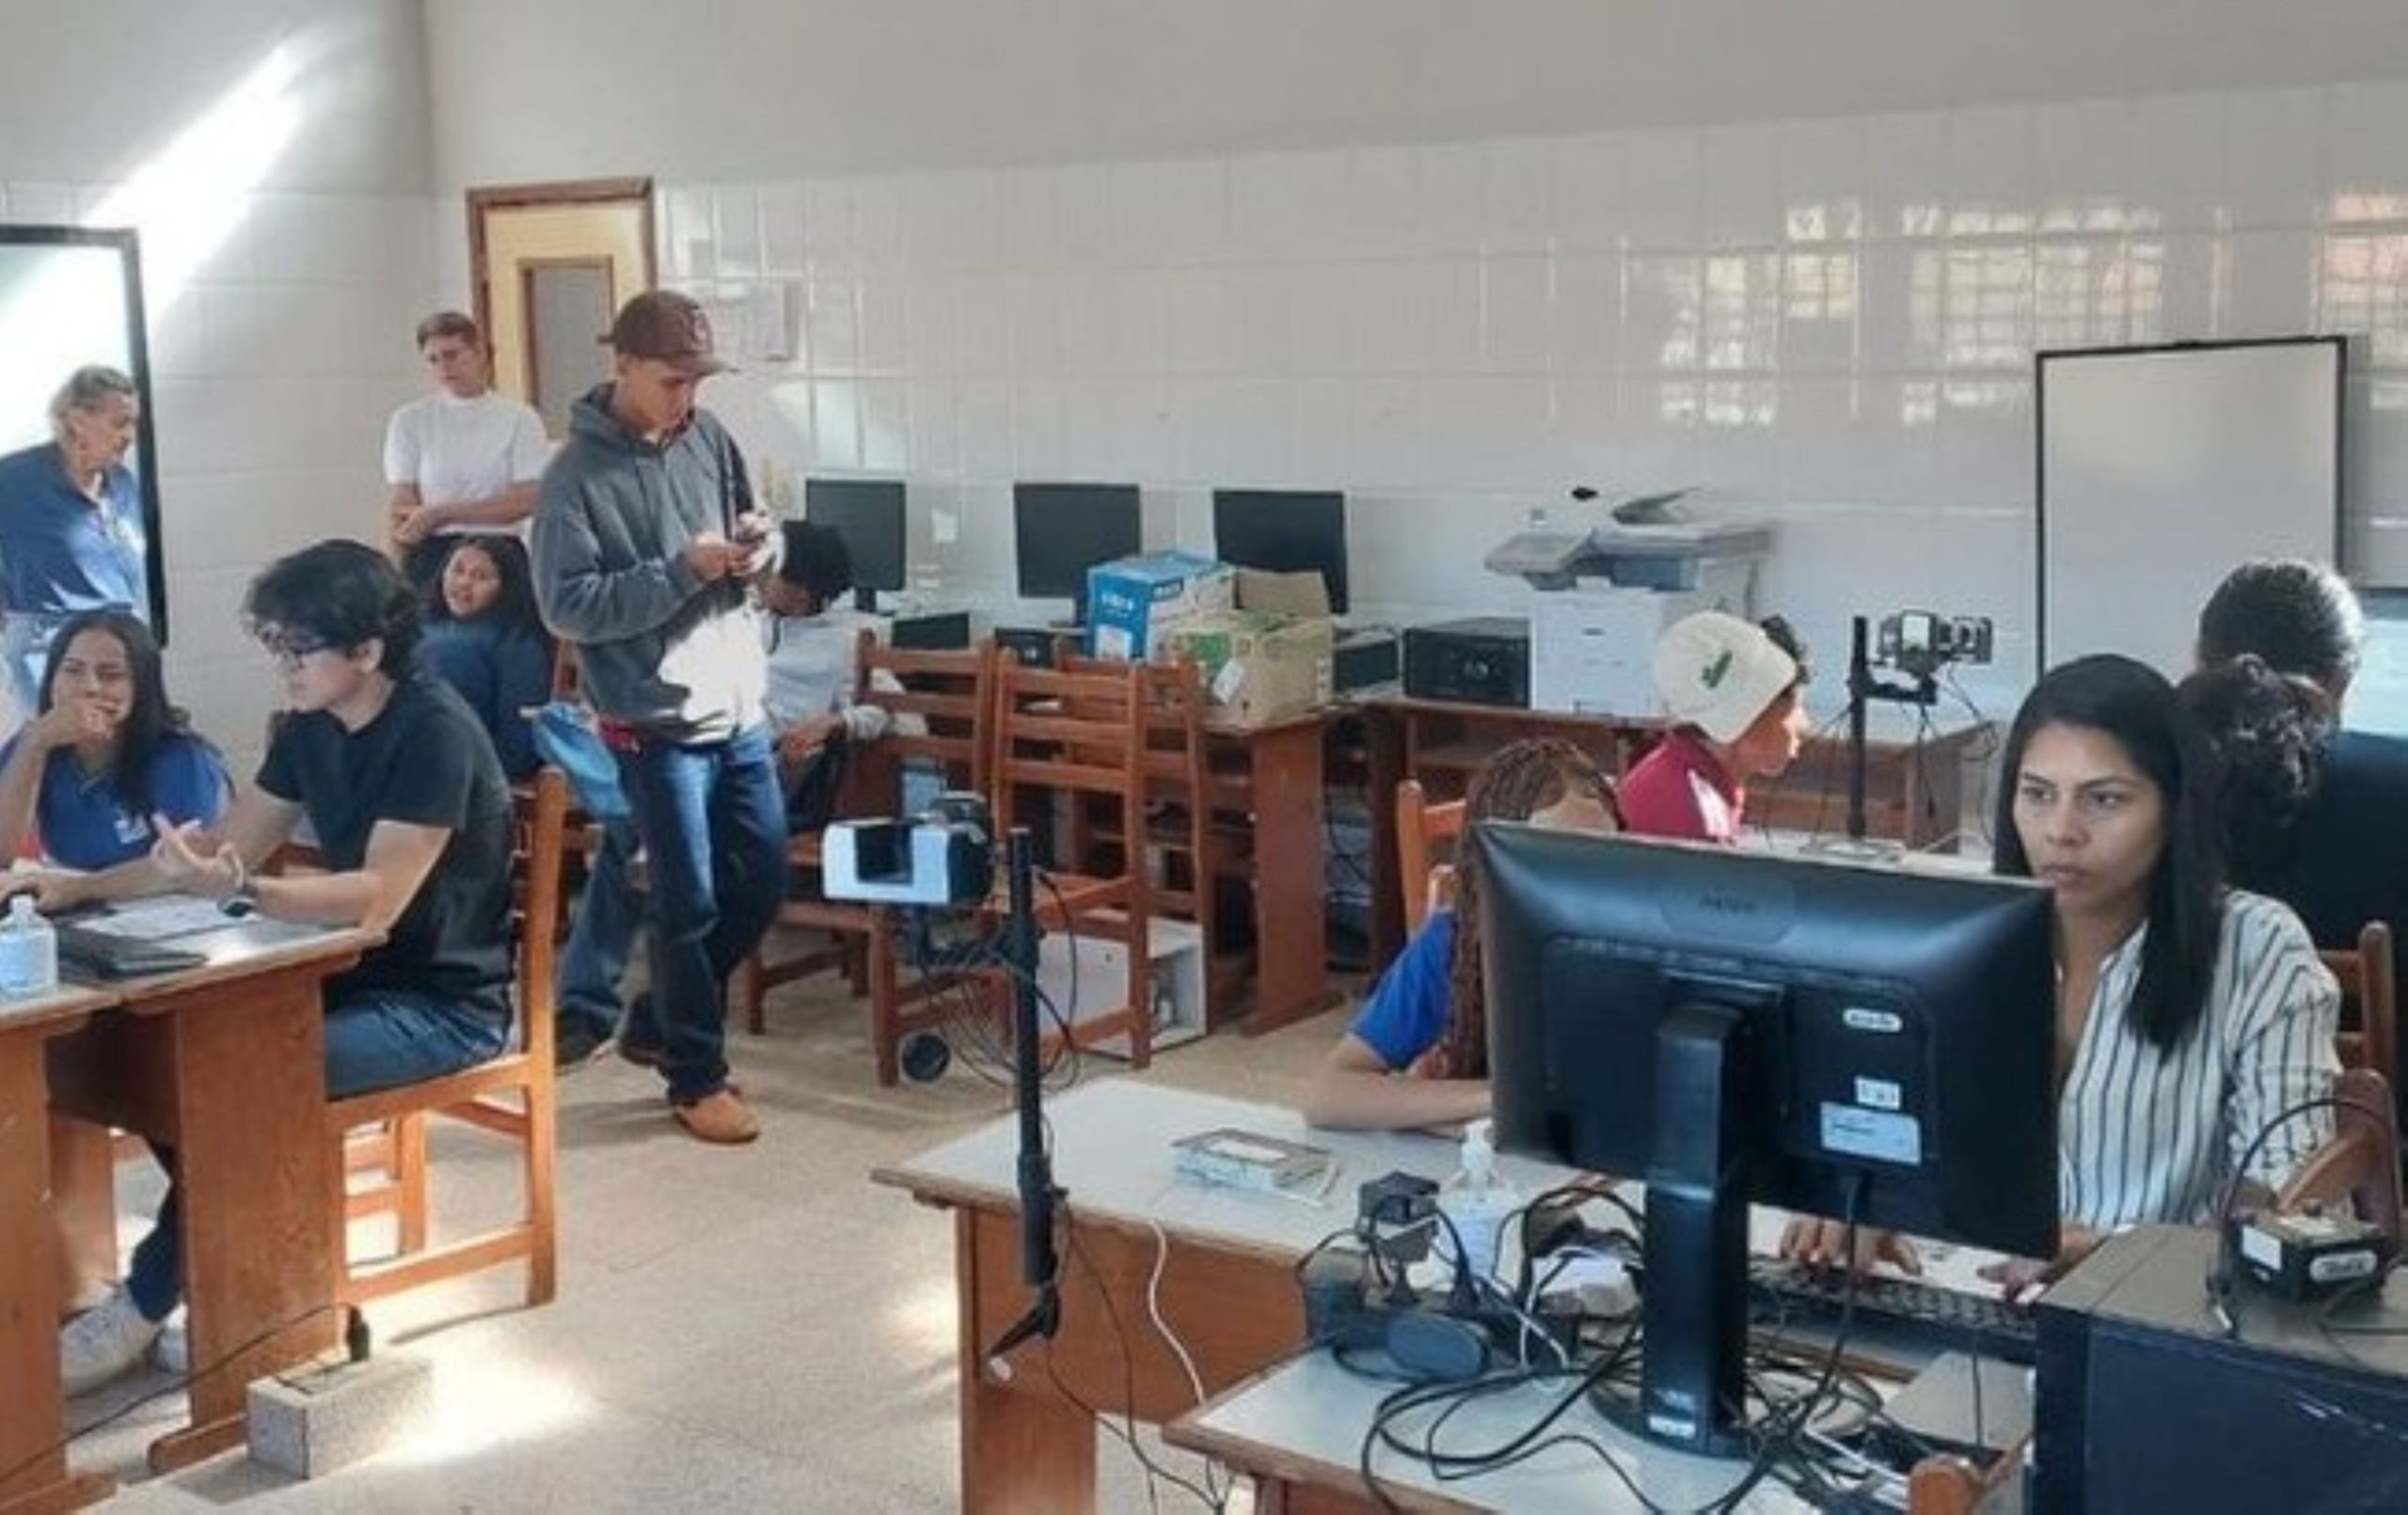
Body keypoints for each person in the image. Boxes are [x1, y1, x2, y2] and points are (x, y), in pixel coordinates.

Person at [40, 540, 516, 1394]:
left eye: (298, 648)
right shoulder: (308, 726)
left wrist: (243, 890)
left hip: (441, 1003)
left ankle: (149, 1302)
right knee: (164, 1057)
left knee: (232, 1085)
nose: (282, 666)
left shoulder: (435, 730)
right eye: (275, 645)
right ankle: (235, 1271)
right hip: (337, 978)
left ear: (367, 650)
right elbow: (222, 846)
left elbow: (375, 900)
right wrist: (79, 889)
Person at [1782, 655, 2339, 1294]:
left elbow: (2291, 1205)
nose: (2061, 831)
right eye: (2038, 794)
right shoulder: (1952, 942)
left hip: (2156, 1316)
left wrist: (2116, 1254)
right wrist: (1859, 1202)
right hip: (1967, 1297)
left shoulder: (2257, 948)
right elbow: (1884, 1139)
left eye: (2105, 800)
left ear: (2175, 806)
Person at [530, 289, 786, 1144]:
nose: (687, 397)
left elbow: (755, 529)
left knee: (761, 880)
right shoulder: (572, 476)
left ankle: (658, 1020)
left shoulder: (708, 438)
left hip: (737, 703)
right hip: (652, 720)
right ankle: (696, 1075)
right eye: (672, 381)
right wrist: (682, 571)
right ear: (624, 365)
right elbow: (567, 605)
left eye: (696, 381)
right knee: (686, 904)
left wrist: (759, 547)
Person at [1302, 739, 1620, 1131]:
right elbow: (1327, 1096)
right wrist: (1500, 1097)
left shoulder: (1641, 950)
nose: (1582, 883)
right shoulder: (1455, 946)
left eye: (1604, 857)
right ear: (1494, 864)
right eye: (1551, 859)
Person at [2194, 559, 2408, 999]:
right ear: (2342, 677)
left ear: (2200, 660)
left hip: (2161, 1041)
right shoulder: (2393, 782)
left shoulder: (2134, 774)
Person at [0, 608, 227, 868]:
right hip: (70, 889)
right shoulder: (31, 743)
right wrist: (34, 746)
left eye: (110, 675)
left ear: (141, 687)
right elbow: (2, 855)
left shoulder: (183, 759)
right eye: (72, 670)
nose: (89, 687)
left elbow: (184, 866)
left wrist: (74, 888)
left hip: (162, 893)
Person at [0, 366, 148, 717]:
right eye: (119, 423)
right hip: (47, 642)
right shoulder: (14, 479)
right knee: (61, 741)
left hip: (120, 635)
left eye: (133, 424)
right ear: (78, 420)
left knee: (130, 741)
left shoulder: (122, 483)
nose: (129, 436)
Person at [384, 311, 549, 588]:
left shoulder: (519, 418)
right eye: (433, 359)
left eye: (452, 355)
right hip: (432, 554)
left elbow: (525, 500)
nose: (444, 367)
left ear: (479, 353)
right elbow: (402, 506)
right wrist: (391, 573)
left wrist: (442, 513)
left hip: (498, 552)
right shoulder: (410, 420)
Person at [1617, 610, 1810, 843]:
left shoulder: (1690, 778)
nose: (1804, 724)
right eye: (1792, 710)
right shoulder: (1690, 811)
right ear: (1750, 719)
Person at [763, 519, 896, 831]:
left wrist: (834, 722)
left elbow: (886, 708)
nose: (760, 577)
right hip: (719, 752)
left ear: (801, 591)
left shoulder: (841, 644)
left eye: (771, 571)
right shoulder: (746, 626)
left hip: (774, 770)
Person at [419, 534, 554, 780]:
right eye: (457, 570)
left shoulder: (516, 641)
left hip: (469, 767)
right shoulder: (421, 626)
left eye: (481, 576)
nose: (463, 583)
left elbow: (519, 736)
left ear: (506, 586)